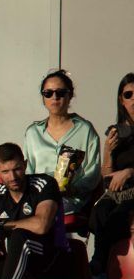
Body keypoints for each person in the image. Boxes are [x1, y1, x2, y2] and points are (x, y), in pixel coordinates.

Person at [0, 143, 66, 279]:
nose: (13, 177)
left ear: (25, 165)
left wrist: (3, 227)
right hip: (13, 262)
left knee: (19, 236)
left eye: (17, 169)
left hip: (48, 259)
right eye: (5, 172)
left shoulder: (44, 184)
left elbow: (41, 225)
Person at [23, 70, 101, 218]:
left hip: (71, 199)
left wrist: (73, 189)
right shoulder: (33, 132)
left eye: (60, 92)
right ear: (43, 97)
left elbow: (93, 172)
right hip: (38, 198)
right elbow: (28, 171)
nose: (55, 97)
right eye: (48, 93)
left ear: (70, 95)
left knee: (46, 213)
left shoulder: (85, 130)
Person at [90, 73, 134, 278]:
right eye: (128, 94)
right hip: (118, 192)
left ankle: (101, 264)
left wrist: (129, 172)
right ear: (121, 100)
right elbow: (107, 176)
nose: (133, 99)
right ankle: (101, 264)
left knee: (119, 215)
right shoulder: (115, 132)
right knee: (101, 211)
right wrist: (108, 150)